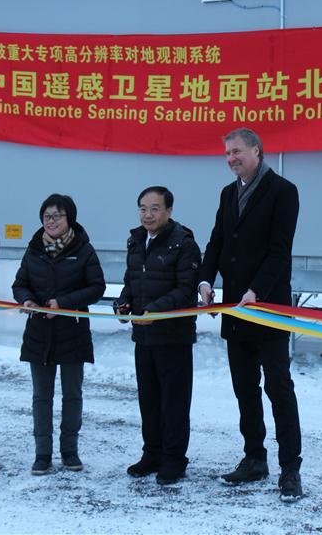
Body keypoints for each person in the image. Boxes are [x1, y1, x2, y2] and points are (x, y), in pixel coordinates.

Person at [198, 128, 304, 502]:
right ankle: (254, 458)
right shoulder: (228, 194)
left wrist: (256, 291)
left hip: (269, 307)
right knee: (245, 389)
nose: (231, 158)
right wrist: (206, 281)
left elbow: (279, 251)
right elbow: (217, 242)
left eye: (237, 151)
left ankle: (290, 469)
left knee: (278, 389)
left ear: (257, 151)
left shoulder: (283, 191)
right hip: (235, 309)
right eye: (227, 153)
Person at [12, 194, 106, 475]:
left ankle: (69, 451)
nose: (51, 221)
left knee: (72, 395)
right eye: (47, 216)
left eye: (57, 216)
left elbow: (96, 287)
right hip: (39, 333)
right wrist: (26, 300)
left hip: (72, 331)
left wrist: (63, 304)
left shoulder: (84, 250)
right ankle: (42, 453)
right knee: (41, 396)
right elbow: (20, 284)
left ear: (70, 219)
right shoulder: (34, 250)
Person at [115, 186, 201, 485]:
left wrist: (154, 309)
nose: (147, 214)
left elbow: (185, 290)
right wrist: (124, 302)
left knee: (173, 401)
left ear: (168, 211)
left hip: (173, 336)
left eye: (154, 208)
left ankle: (175, 459)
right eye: (142, 208)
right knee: (148, 399)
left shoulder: (184, 244)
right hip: (144, 335)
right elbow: (131, 281)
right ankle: (152, 453)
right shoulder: (136, 241)